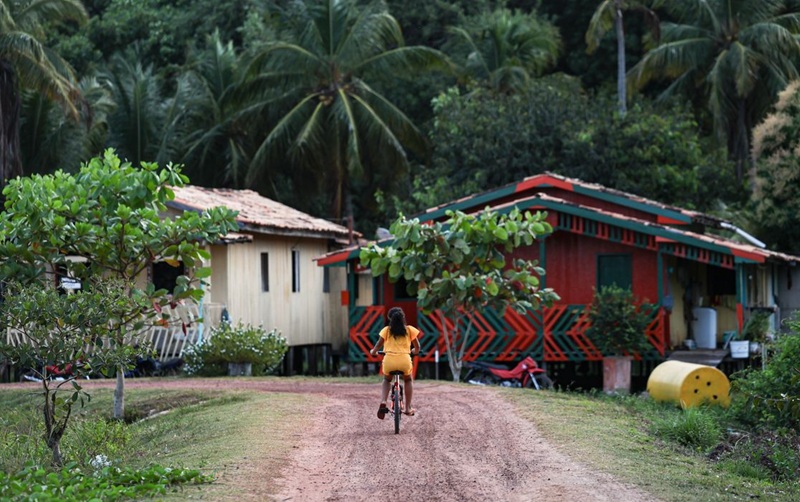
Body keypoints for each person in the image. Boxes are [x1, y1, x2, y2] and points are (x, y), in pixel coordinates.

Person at [369, 307, 421, 418]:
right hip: (404, 361)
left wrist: (373, 352)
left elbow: (377, 345)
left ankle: (383, 401)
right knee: (408, 379)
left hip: (389, 361)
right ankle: (407, 408)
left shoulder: (386, 330)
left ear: (390, 318)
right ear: (403, 317)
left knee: (387, 380)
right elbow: (417, 348)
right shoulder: (409, 330)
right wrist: (414, 351)